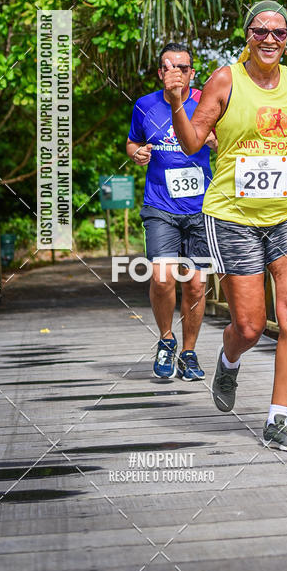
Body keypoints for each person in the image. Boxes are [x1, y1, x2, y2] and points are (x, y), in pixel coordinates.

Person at [161, 2, 287, 450]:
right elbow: (191, 144)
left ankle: (277, 419)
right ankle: (229, 361)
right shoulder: (226, 80)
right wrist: (176, 104)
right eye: (260, 31)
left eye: (280, 33)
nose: (270, 39)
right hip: (233, 215)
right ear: (247, 35)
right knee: (249, 326)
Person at [127, 43, 216, 382]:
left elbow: (229, 141)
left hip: (200, 208)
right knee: (163, 277)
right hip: (160, 204)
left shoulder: (207, 103)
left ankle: (189, 353)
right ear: (161, 73)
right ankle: (167, 339)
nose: (178, 71)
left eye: (185, 66)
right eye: (171, 66)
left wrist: (213, 142)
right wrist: (137, 153)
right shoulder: (145, 105)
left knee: (195, 285)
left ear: (192, 73)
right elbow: (132, 141)